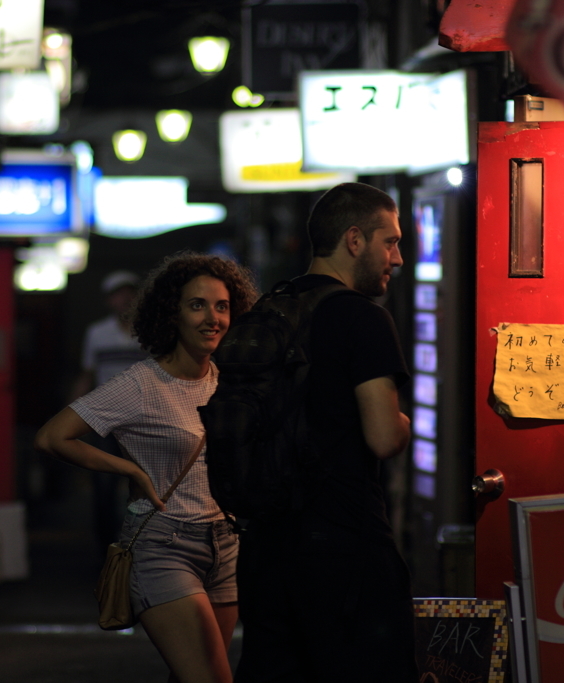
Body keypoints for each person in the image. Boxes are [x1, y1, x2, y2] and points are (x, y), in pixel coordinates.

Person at [35, 252, 259, 683]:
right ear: (170, 313)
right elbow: (51, 436)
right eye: (197, 305)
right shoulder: (141, 384)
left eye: (222, 306)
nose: (212, 318)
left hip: (226, 547)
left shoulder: (229, 380)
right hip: (164, 546)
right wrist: (130, 470)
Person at [234, 182, 418, 683]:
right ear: (354, 240)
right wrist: (401, 422)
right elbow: (383, 437)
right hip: (342, 546)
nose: (397, 258)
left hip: (265, 550)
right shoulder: (363, 318)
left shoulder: (267, 309)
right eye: (390, 242)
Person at [69, 270, 148, 551]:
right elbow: (87, 374)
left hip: (143, 423)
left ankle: (138, 545)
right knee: (103, 486)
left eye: (130, 292)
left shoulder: (150, 332)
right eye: (118, 294)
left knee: (144, 487)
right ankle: (105, 547)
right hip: (105, 421)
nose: (125, 299)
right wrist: (73, 419)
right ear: (109, 300)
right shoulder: (97, 334)